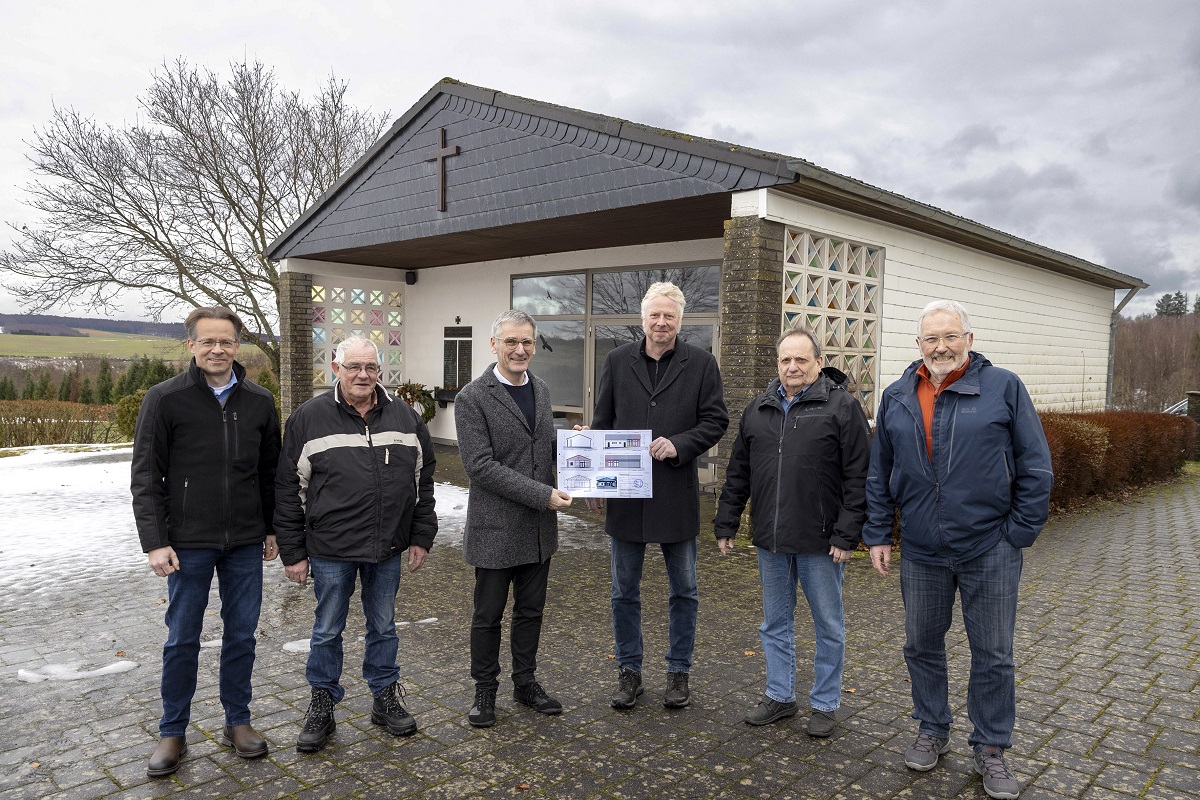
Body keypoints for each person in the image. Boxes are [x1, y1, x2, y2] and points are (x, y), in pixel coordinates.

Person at [864, 300, 1052, 800]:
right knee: (920, 645)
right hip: (922, 548)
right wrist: (879, 533)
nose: (941, 346)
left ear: (969, 339)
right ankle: (932, 727)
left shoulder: (1003, 387)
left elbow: (1036, 465)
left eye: (950, 336)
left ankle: (991, 746)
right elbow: (879, 473)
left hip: (989, 545)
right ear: (919, 345)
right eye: (931, 338)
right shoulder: (899, 395)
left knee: (993, 653)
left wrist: (1020, 532)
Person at [131, 306, 281, 778]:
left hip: (243, 542)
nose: (218, 349)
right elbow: (145, 476)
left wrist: (273, 528)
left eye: (227, 341)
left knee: (241, 635)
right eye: (208, 341)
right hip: (187, 543)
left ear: (239, 346)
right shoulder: (164, 399)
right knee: (182, 638)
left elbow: (270, 473)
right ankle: (173, 730)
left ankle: (238, 721)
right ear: (191, 345)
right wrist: (155, 541)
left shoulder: (259, 400)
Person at [275, 335, 437, 753]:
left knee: (383, 626)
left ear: (380, 372)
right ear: (336, 369)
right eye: (353, 367)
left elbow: (423, 482)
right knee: (328, 630)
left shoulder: (405, 416)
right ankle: (322, 704)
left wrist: (421, 536)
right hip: (331, 550)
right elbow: (287, 489)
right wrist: (293, 553)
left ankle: (384, 698)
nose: (363, 375)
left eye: (371, 368)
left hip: (387, 548)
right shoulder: (308, 418)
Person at [714, 325, 870, 737]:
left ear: (819, 363)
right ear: (777, 364)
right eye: (786, 359)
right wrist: (727, 522)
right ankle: (780, 696)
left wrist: (846, 534)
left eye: (802, 359)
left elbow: (860, 476)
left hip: (822, 542)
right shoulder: (758, 409)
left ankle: (824, 703)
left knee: (828, 625)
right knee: (775, 624)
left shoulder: (841, 407)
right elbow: (738, 474)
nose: (793, 367)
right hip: (771, 541)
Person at [591, 281, 728, 709]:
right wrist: (596, 476)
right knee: (622, 591)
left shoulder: (702, 363)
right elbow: (602, 421)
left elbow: (716, 420)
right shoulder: (616, 361)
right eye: (655, 315)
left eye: (669, 315)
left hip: (674, 492)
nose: (661, 322)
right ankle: (629, 672)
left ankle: (678, 672)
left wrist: (680, 444)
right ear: (643, 318)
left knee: (684, 590)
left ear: (680, 320)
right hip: (627, 496)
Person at [454, 310, 573, 728]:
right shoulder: (472, 397)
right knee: (487, 616)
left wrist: (579, 449)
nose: (520, 350)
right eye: (511, 342)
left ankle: (525, 684)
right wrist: (543, 495)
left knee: (531, 613)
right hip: (496, 530)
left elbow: (541, 447)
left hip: (538, 531)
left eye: (527, 342)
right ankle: (485, 691)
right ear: (494, 345)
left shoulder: (540, 388)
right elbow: (480, 466)